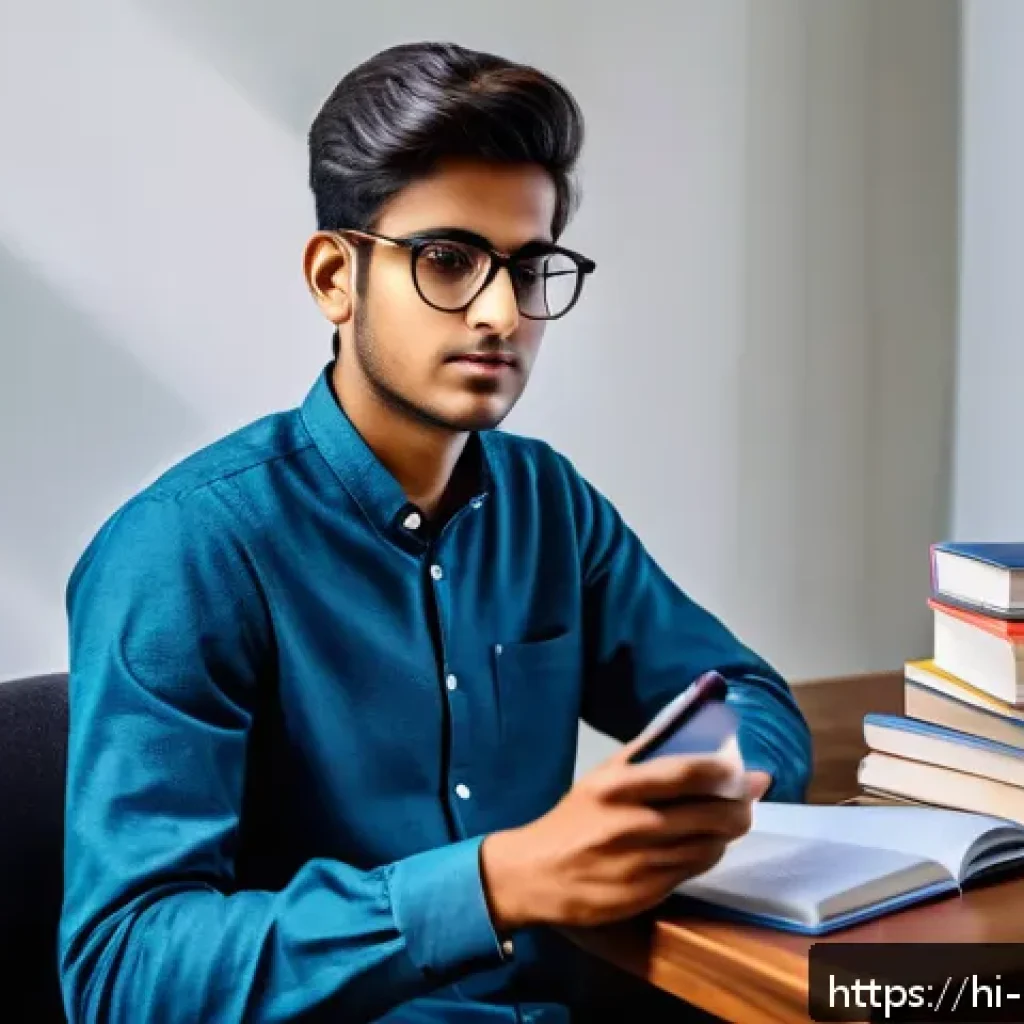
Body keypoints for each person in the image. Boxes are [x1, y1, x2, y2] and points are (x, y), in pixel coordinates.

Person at [58, 40, 812, 1023]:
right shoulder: (186, 551)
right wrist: (496, 883)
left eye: (529, 266)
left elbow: (749, 700)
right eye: (448, 260)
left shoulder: (548, 505)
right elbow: (123, 973)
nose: (501, 311)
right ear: (335, 277)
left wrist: (678, 802)